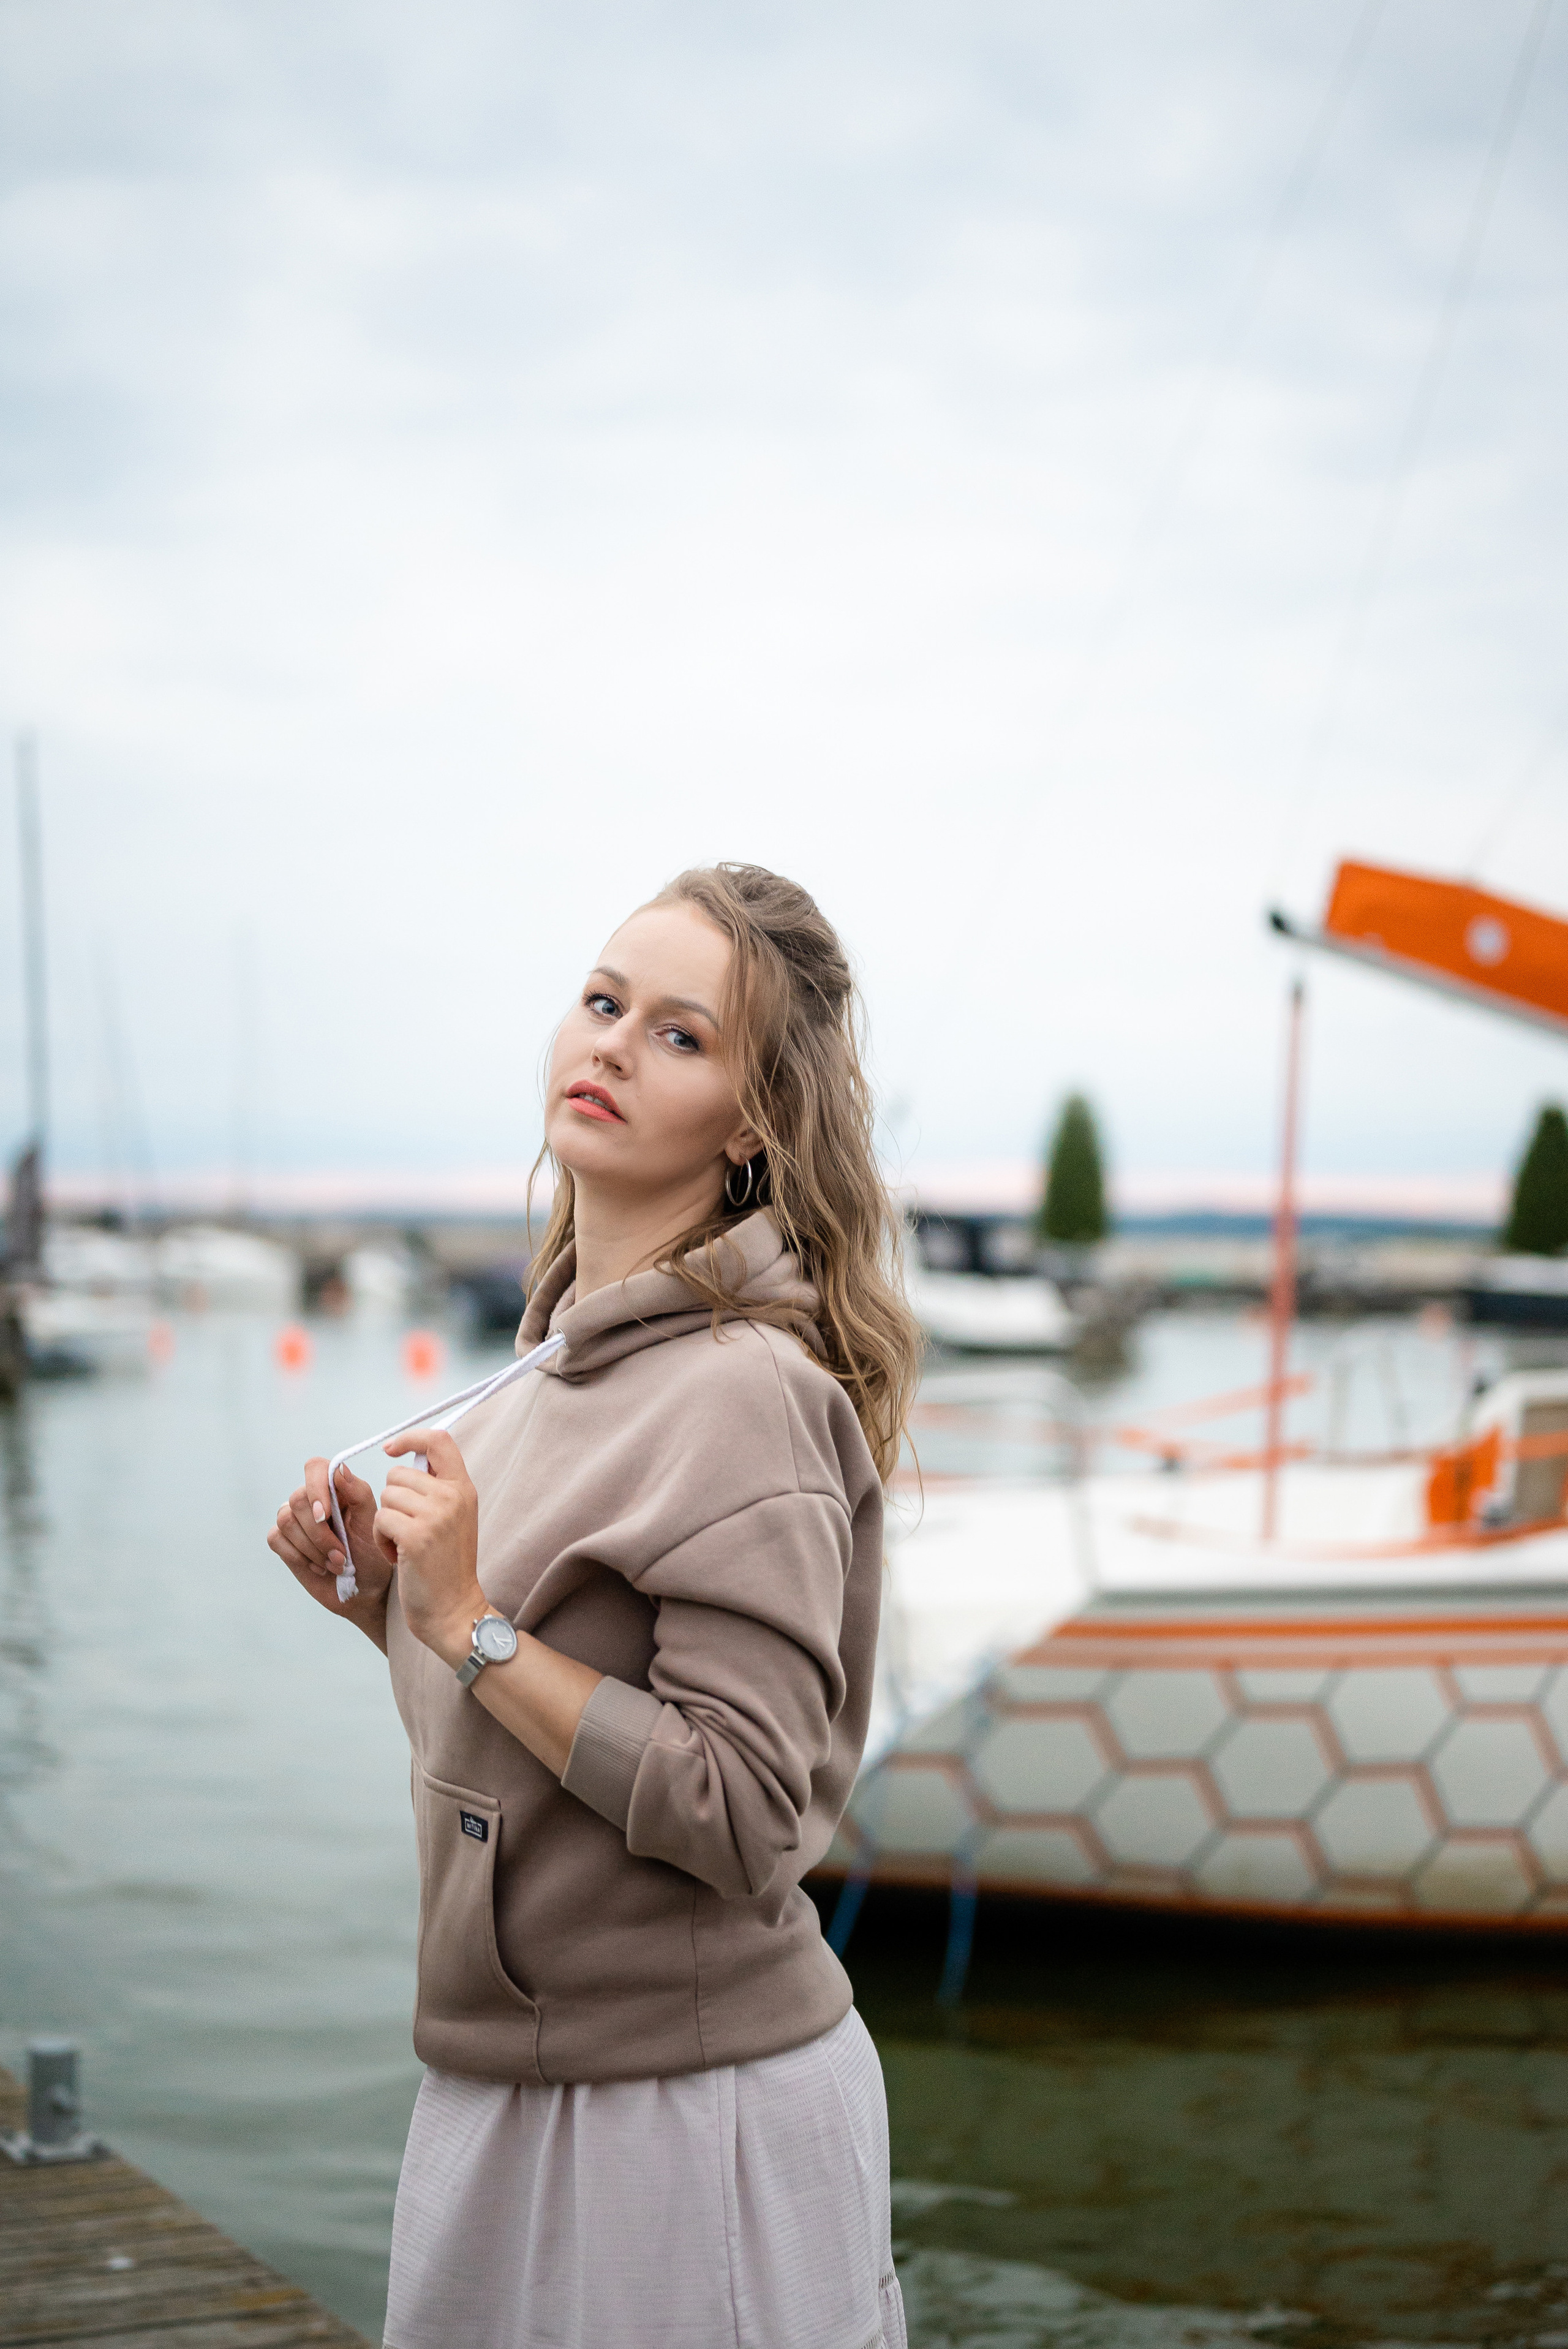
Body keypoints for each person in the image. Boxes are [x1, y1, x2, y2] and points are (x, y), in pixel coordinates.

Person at [267, 863, 922, 2349]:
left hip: (682, 2129)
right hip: (502, 2088)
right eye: (603, 1000)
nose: (613, 1044)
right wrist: (383, 1593)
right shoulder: (539, 1369)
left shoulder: (750, 1392)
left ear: (754, 1123)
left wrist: (472, 1625)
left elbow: (750, 1816)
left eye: (680, 1036)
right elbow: (512, 1704)